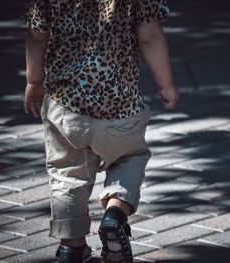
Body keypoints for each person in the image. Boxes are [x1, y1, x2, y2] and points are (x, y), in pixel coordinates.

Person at [24, 0, 179, 262]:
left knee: (67, 174)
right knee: (130, 158)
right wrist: (166, 85)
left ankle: (72, 247)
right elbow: (149, 35)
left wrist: (33, 81)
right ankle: (115, 214)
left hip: (66, 105)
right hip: (121, 106)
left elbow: (37, 35)